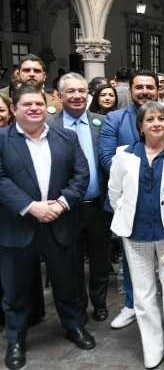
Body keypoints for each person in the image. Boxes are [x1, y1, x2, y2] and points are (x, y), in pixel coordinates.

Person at [0, 85, 94, 370]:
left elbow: (81, 174)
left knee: (68, 282)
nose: (34, 108)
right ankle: (16, 341)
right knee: (15, 290)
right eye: (26, 104)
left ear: (47, 106)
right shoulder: (2, 139)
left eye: (38, 104)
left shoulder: (66, 137)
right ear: (14, 109)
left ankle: (74, 326)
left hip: (60, 223)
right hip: (18, 226)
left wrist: (62, 204)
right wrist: (31, 207)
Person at [107, 101, 164, 370]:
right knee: (143, 297)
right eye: (150, 119)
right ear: (140, 126)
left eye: (161, 119)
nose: (156, 123)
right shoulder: (124, 155)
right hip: (136, 237)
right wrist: (125, 216)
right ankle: (153, 349)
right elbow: (115, 192)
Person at [46, 73, 109, 324]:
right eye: (70, 91)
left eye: (81, 91)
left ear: (88, 94)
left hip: (97, 205)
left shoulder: (102, 122)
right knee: (72, 261)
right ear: (60, 96)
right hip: (65, 208)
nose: (76, 96)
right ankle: (79, 306)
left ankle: (100, 302)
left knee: (100, 258)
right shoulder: (49, 125)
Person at [99, 69, 159, 329]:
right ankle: (132, 305)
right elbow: (107, 157)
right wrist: (139, 180)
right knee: (132, 256)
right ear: (130, 90)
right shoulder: (114, 118)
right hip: (128, 200)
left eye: (149, 87)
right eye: (139, 87)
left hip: (162, 199)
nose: (144, 92)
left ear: (158, 90)